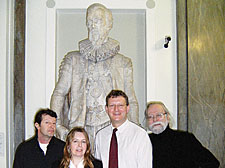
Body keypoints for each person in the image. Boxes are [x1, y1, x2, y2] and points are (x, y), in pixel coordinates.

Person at [50, 3, 139, 149]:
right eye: (89, 21)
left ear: (108, 24)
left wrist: (135, 129)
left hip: (111, 124)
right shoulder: (73, 59)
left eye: (96, 20)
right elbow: (59, 93)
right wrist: (57, 125)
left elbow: (131, 98)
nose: (92, 25)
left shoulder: (123, 62)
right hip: (81, 126)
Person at [145, 101, 220, 168]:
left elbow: (212, 163)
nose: (155, 119)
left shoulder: (185, 139)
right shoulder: (144, 141)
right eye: (150, 117)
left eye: (159, 115)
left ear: (167, 117)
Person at [95, 90, 152, 168]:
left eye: (120, 105)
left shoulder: (140, 135)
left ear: (127, 108)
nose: (116, 109)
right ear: (106, 109)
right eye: (112, 105)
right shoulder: (100, 136)